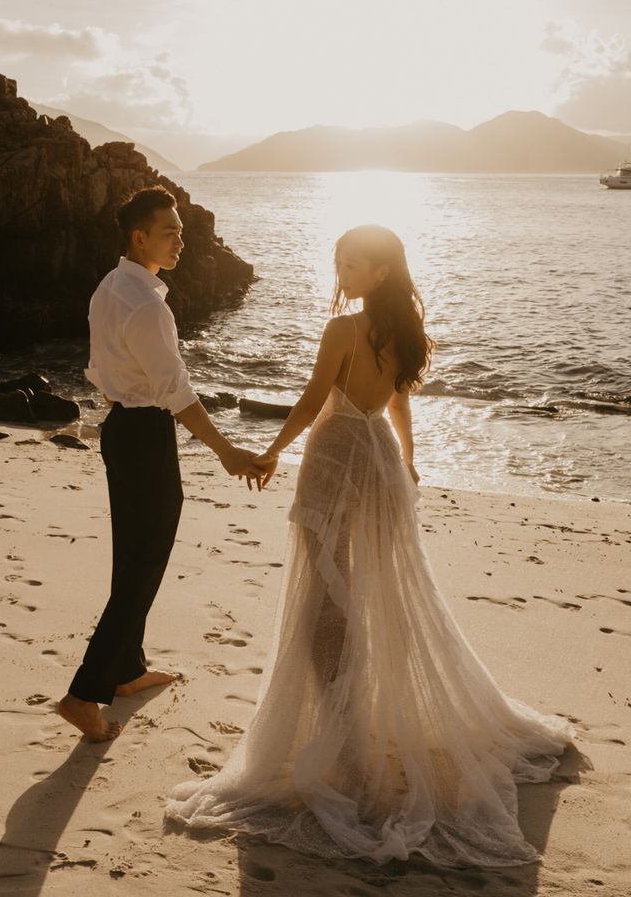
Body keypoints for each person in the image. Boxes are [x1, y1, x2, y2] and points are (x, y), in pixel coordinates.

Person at [165, 224, 577, 867]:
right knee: (365, 588)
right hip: (378, 458)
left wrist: (271, 451)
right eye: (340, 262)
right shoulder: (404, 332)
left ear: (380, 272)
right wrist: (408, 463)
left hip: (335, 457)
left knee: (324, 592)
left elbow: (310, 401)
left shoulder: (343, 331)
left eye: (353, 264)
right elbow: (399, 405)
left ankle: (341, 730)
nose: (343, 272)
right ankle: (351, 718)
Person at [58, 186, 263, 743]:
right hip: (145, 435)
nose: (181, 241)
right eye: (170, 231)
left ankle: (126, 670)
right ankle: (84, 693)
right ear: (139, 236)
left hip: (121, 428)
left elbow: (101, 366)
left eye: (182, 230)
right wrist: (226, 450)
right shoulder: (147, 305)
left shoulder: (112, 285)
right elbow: (176, 390)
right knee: (143, 565)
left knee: (134, 556)